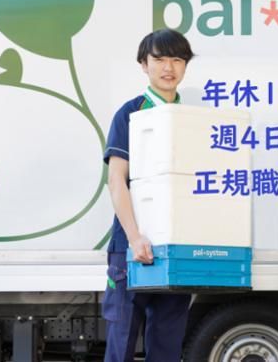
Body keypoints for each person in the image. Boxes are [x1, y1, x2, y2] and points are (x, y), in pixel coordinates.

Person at [102, 28, 194, 362]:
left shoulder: (192, 120)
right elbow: (116, 179)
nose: (169, 67)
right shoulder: (130, 113)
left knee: (168, 346)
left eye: (178, 59)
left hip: (176, 247)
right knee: (121, 344)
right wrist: (134, 237)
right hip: (130, 248)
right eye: (160, 59)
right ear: (144, 64)